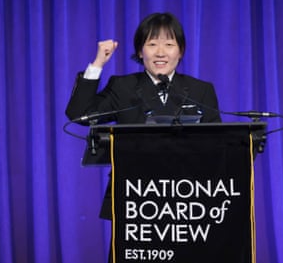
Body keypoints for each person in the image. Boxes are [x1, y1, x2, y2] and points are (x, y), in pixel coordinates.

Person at [65, 12, 221, 220]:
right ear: (140, 51)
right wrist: (97, 64)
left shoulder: (201, 90)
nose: (160, 53)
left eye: (169, 44)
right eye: (152, 44)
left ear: (180, 51)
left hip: (188, 199)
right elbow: (80, 115)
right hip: (134, 196)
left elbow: (218, 143)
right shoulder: (123, 87)